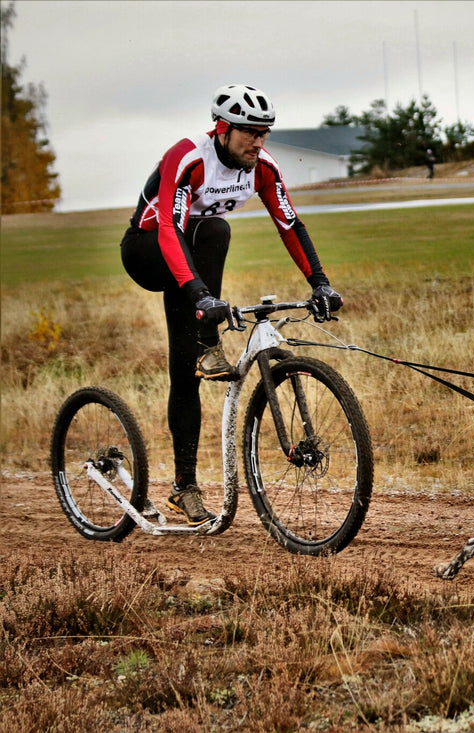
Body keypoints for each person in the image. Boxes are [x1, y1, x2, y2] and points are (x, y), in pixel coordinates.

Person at [120, 84, 344, 525]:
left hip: (190, 261)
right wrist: (201, 298)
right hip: (147, 251)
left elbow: (290, 223)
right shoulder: (188, 158)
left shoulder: (263, 167)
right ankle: (209, 342)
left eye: (264, 134)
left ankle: (183, 488)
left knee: (182, 371)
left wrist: (320, 282)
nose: (258, 143)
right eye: (248, 134)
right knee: (215, 230)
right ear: (222, 129)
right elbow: (169, 230)